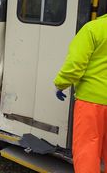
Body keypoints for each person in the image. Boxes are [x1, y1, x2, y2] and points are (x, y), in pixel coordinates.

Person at [54, 14, 107, 172]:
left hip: (91, 102)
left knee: (87, 150)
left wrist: (60, 84)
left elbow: (75, 65)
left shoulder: (93, 29)